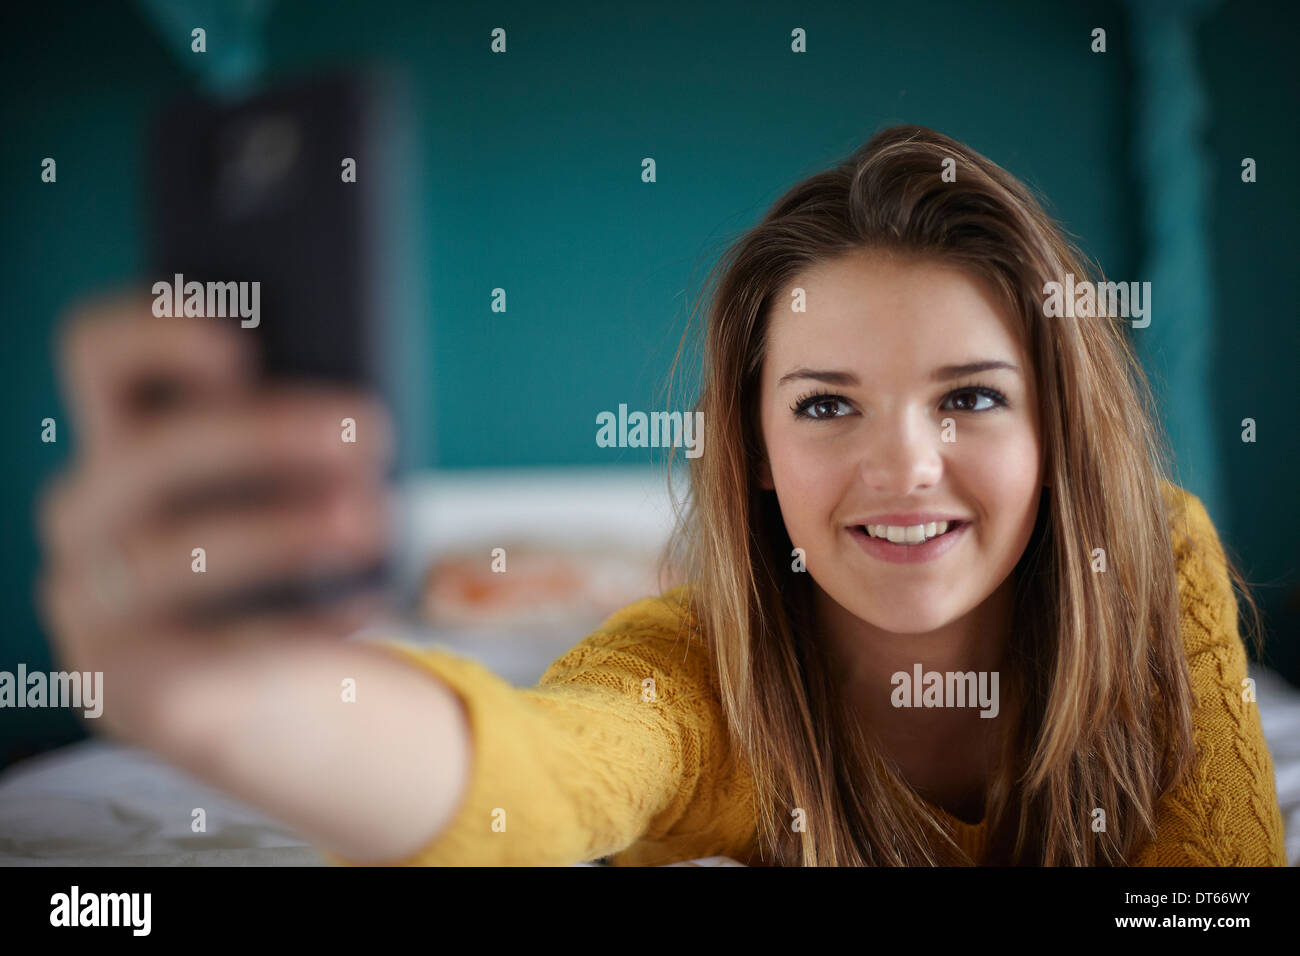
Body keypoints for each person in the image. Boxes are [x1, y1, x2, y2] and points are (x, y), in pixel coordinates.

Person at [35, 125, 1287, 866]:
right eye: (823, 403)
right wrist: (250, 707)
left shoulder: (1153, 557)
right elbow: (538, 773)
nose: (903, 466)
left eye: (968, 397)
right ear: (747, 448)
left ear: (1058, 429)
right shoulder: (684, 673)